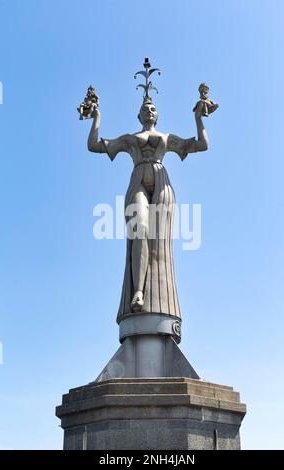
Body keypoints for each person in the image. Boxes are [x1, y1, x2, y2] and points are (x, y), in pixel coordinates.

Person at [87, 95, 210, 324]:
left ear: (157, 114)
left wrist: (198, 117)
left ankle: (160, 297)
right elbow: (94, 145)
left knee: (159, 242)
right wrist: (96, 117)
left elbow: (202, 145)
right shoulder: (129, 139)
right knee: (140, 231)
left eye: (153, 108)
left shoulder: (166, 137)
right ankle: (138, 292)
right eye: (145, 108)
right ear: (139, 115)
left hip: (162, 181)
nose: (149, 110)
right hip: (138, 181)